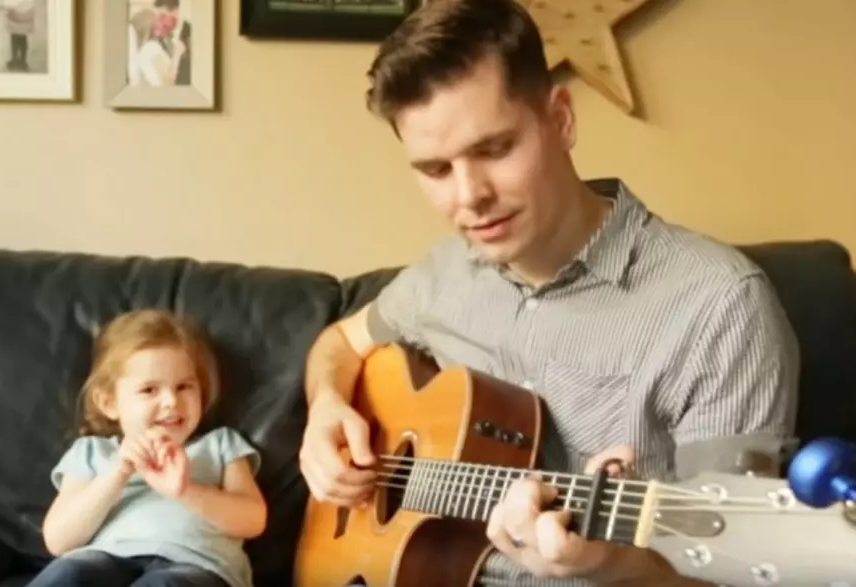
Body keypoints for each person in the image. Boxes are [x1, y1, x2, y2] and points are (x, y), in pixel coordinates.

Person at [297, 0, 800, 586]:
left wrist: (608, 563)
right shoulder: (444, 272)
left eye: (493, 150)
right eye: (436, 170)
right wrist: (326, 409)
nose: (470, 196)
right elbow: (338, 342)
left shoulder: (720, 305)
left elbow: (734, 568)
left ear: (561, 119)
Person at [28, 309, 266, 587]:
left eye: (184, 387)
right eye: (149, 390)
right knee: (68, 573)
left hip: (195, 566)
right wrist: (116, 474)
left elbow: (253, 520)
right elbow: (58, 541)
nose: (170, 402)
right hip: (103, 558)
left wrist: (185, 491)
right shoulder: (92, 452)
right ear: (109, 403)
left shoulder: (220, 445)